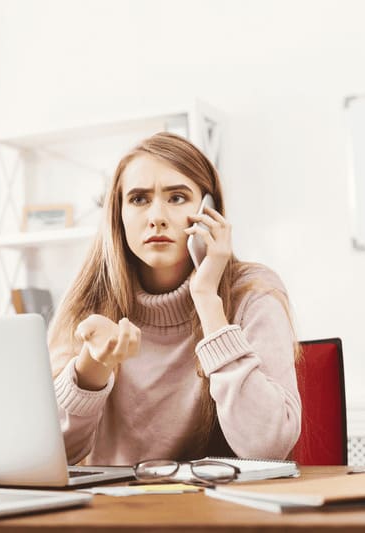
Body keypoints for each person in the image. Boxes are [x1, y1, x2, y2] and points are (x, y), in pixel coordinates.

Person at [48, 132, 301, 465]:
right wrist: (91, 368)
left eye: (177, 198)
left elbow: (267, 446)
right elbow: (50, 452)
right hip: (115, 510)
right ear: (118, 216)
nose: (156, 216)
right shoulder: (89, 301)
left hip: (219, 509)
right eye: (139, 199)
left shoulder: (253, 293)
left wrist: (208, 299)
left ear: (209, 212)